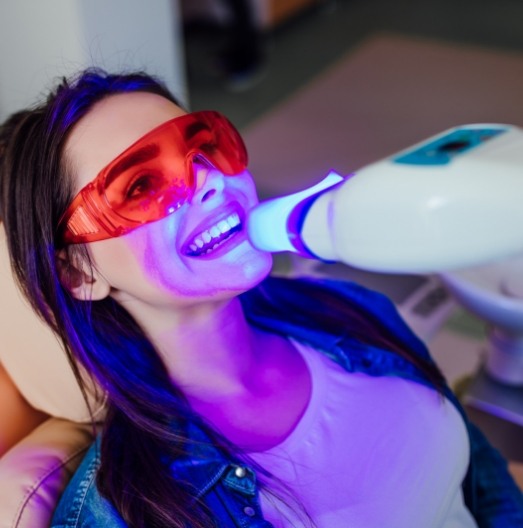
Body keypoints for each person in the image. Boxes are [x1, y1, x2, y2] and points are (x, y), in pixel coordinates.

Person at [0, 68, 522, 528]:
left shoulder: (352, 308)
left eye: (203, 146)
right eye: (140, 186)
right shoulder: (126, 513)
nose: (206, 179)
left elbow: (482, 483)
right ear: (79, 273)